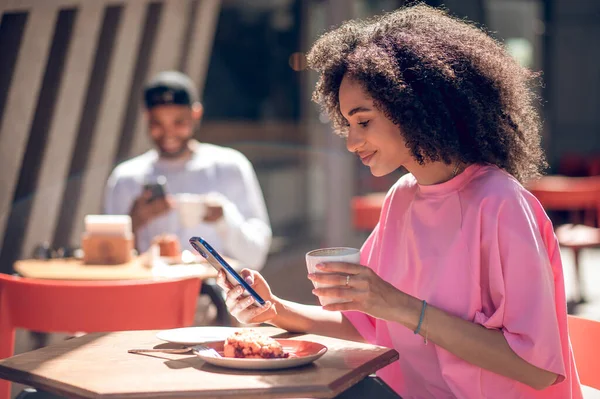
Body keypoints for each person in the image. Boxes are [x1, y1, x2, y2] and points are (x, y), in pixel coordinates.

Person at [216, 5, 583, 398]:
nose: (352, 142)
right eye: (347, 124)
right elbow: (367, 323)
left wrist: (399, 306)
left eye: (364, 121)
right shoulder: (402, 198)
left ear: (414, 105)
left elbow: (538, 369)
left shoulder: (501, 203)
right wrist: (273, 309)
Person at [104, 71, 271, 270]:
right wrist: (134, 221)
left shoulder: (229, 166)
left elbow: (256, 256)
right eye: (158, 123)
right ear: (146, 118)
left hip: (216, 296)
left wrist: (224, 217)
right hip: (149, 295)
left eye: (179, 122)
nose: (169, 133)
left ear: (196, 114)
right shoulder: (126, 178)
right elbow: (105, 261)